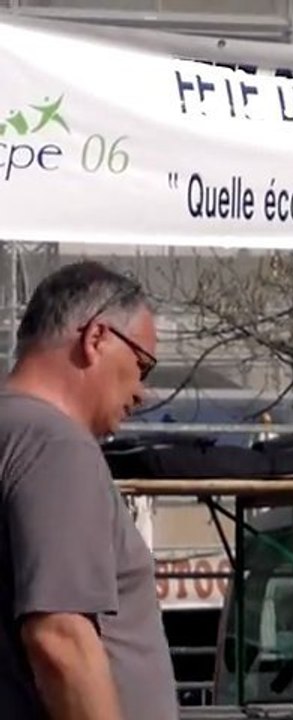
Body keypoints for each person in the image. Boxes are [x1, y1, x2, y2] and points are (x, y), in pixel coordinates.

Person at [0, 261, 178, 720]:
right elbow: (60, 638)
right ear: (96, 337)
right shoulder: (56, 445)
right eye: (142, 365)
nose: (142, 392)